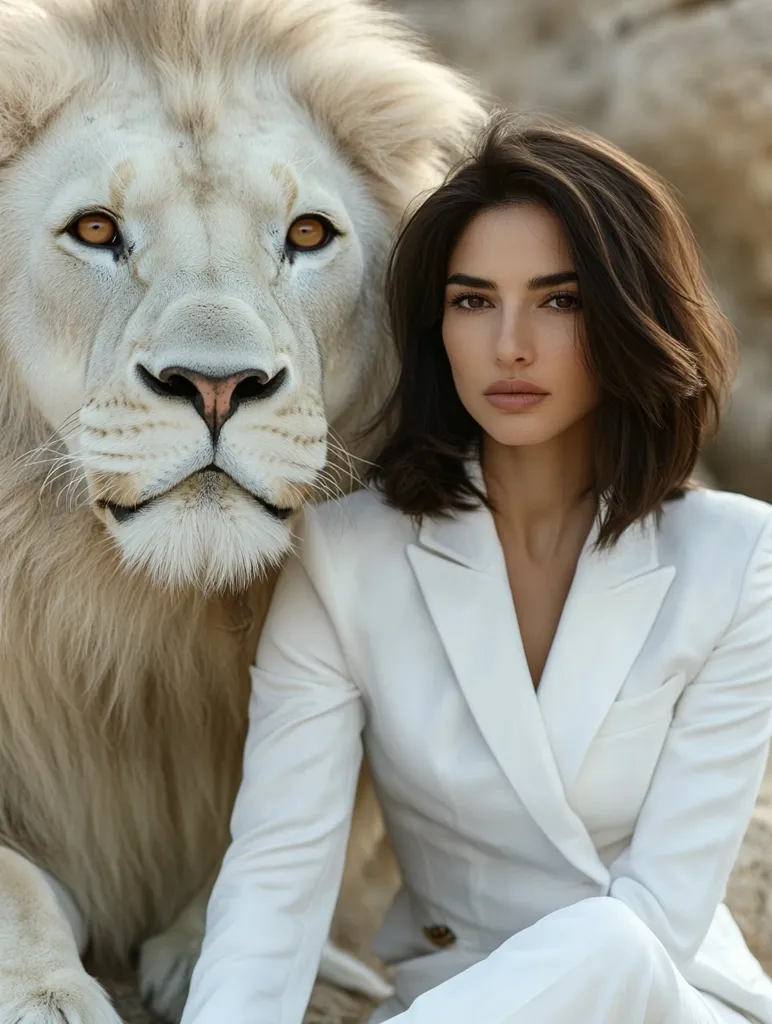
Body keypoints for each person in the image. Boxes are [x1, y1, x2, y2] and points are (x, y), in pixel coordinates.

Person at [180, 113, 772, 1024]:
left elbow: (660, 915)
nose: (511, 347)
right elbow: (277, 871)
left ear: (626, 313)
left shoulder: (739, 558)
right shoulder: (345, 555)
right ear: (435, 327)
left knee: (607, 938)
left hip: (659, 996)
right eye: (473, 300)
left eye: (559, 299)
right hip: (449, 1000)